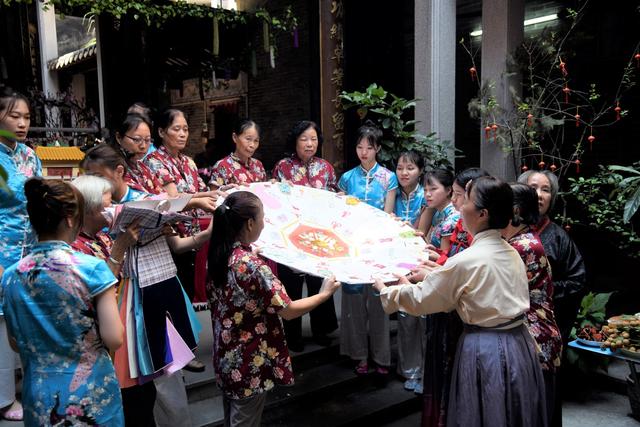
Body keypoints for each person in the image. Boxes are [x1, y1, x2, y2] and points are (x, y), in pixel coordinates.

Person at [373, 176, 547, 427]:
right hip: (518, 344)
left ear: (482, 213)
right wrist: (437, 274)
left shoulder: (468, 260)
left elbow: (424, 298)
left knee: (483, 411)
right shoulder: (509, 250)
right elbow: (474, 290)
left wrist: (385, 290)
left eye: (466, 200)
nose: (460, 206)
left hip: (484, 349)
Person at [82, 144, 209, 426]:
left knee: (167, 374)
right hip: (117, 299)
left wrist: (204, 233)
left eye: (97, 175)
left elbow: (175, 244)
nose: (93, 182)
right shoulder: (93, 210)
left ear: (118, 172)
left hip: (155, 293)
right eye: (88, 176)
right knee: (129, 377)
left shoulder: (147, 201)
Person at [207, 191, 341, 427]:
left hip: (226, 353)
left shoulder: (220, 255)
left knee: (232, 417)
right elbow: (288, 310)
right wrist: (323, 295)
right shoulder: (253, 267)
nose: (264, 222)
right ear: (250, 223)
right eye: (262, 217)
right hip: (249, 360)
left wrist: (251, 254)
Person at [1, 178, 124, 426]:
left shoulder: (11, 275)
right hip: (91, 391)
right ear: (70, 218)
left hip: (39, 395)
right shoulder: (91, 269)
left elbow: (15, 343)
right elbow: (114, 338)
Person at [420, 167, 489, 427]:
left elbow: (459, 272)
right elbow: (449, 261)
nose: (457, 202)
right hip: (447, 305)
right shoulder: (460, 222)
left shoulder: (476, 233)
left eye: (462, 196)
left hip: (462, 315)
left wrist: (434, 268)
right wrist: (436, 258)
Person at [271, 121, 339, 351]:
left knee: (318, 281)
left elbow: (334, 197)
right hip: (291, 235)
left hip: (320, 236)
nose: (310, 144)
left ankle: (321, 330)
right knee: (291, 285)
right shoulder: (283, 167)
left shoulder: (326, 167)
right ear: (295, 141)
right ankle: (293, 335)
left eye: (313, 139)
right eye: (304, 139)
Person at [338, 122, 397, 375]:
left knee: (378, 303)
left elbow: (388, 214)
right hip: (351, 247)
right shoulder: (347, 178)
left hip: (378, 248)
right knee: (353, 306)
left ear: (378, 149)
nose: (363, 152)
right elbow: (339, 214)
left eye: (369, 147)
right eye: (360, 147)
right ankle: (359, 355)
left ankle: (382, 358)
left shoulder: (389, 178)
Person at [504, 183, 562, 426]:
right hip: (535, 331)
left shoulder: (522, 246)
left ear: (515, 210)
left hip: (534, 336)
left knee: (532, 408)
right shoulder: (522, 239)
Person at [0, 87, 40, 422]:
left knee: (24, 316)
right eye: (15, 116)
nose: (22, 123)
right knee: (1, 321)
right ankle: (2, 398)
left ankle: (24, 382)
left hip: (30, 248)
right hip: (1, 249)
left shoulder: (29, 155)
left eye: (26, 117)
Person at [517, 170, 586, 343]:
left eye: (546, 190)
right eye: (533, 188)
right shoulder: (506, 229)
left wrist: (540, 290)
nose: (539, 195)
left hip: (543, 323)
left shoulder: (559, 237)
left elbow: (577, 281)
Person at [393, 151, 427, 393]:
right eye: (400, 167)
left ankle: (425, 371)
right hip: (396, 262)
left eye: (410, 168)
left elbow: (421, 233)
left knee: (422, 317)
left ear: (420, 171)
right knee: (405, 316)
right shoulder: (392, 194)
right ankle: (408, 369)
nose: (404, 172)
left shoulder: (427, 197)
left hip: (422, 263)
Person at [70, 174, 140, 276]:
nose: (113, 207)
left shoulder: (102, 236)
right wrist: (119, 248)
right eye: (109, 205)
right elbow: (101, 287)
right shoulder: (74, 248)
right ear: (91, 207)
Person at [208, 119, 266, 188]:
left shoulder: (258, 165)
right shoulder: (222, 166)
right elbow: (214, 195)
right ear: (235, 137)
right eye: (248, 139)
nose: (252, 145)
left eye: (256, 141)